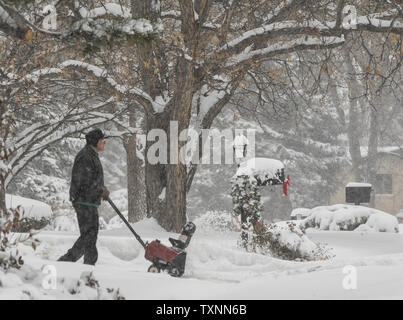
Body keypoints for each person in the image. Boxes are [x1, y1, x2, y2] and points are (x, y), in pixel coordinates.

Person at [58, 128, 110, 265]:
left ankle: (85, 264)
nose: (104, 142)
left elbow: (92, 179)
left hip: (89, 201)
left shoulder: (91, 155)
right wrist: (100, 190)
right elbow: (84, 181)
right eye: (102, 140)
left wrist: (101, 189)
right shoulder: (85, 156)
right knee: (89, 235)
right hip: (83, 201)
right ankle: (68, 261)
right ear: (95, 142)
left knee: (90, 235)